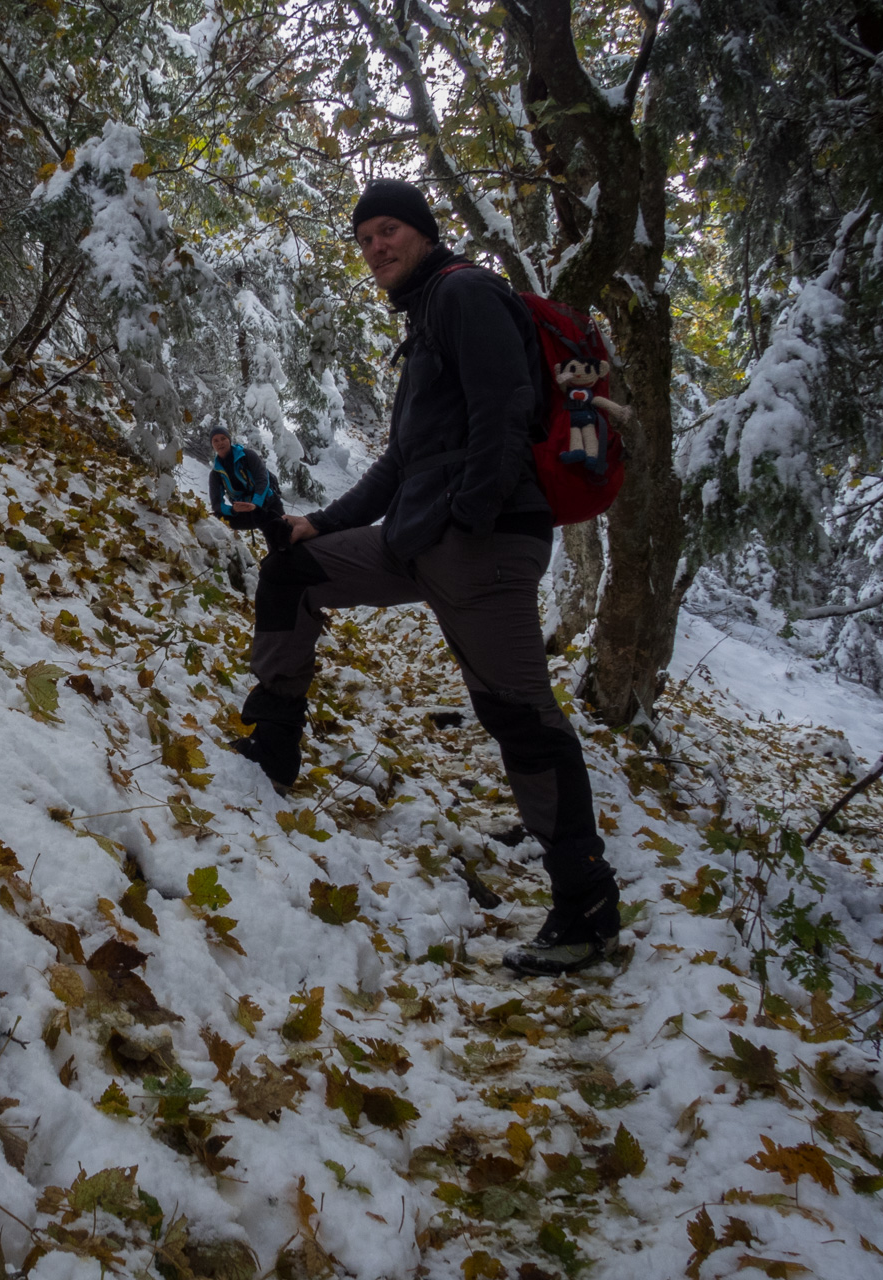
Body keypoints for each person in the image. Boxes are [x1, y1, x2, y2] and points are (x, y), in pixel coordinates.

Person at [230, 178, 620, 976]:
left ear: (422, 232)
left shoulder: (466, 292)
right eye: (365, 237)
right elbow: (403, 462)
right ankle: (269, 750)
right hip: (424, 540)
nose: (376, 248)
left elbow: (507, 408)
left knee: (521, 717)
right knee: (294, 570)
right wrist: (320, 525)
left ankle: (585, 907)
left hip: (480, 546)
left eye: (388, 231)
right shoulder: (427, 323)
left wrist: (471, 515)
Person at [206, 427, 289, 553]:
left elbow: (263, 480)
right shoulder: (215, 473)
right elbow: (216, 503)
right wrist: (233, 509)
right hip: (244, 511)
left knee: (281, 537)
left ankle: (283, 557)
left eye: (223, 438)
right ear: (212, 445)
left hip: (267, 505)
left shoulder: (248, 456)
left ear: (229, 440)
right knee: (216, 518)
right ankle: (225, 552)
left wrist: (255, 505)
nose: (220, 443)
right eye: (215, 441)